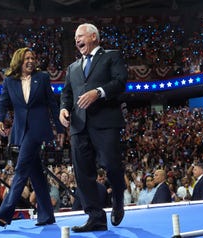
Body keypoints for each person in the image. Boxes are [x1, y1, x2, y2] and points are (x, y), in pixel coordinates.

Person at [59, 23, 128, 232]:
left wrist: (98, 92)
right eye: (75, 38)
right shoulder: (72, 68)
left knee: (111, 165)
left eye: (80, 36)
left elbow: (121, 81)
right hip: (79, 127)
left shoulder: (111, 56)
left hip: (105, 122)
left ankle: (117, 196)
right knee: (82, 173)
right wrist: (63, 109)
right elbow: (66, 94)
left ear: (94, 37)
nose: (76, 40)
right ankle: (95, 217)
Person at [0, 47, 64, 227]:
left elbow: (52, 104)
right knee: (36, 174)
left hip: (37, 129)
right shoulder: (10, 81)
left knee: (21, 169)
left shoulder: (42, 78)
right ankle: (47, 215)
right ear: (19, 60)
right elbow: (2, 102)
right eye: (27, 58)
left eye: (33, 57)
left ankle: (5, 213)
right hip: (20, 130)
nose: (31, 60)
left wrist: (60, 129)